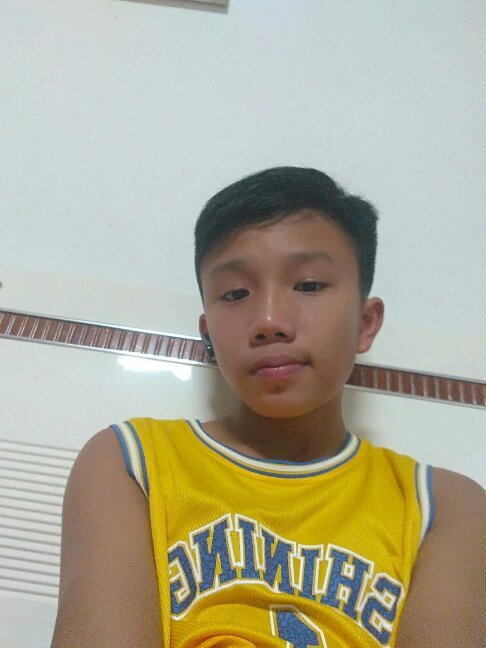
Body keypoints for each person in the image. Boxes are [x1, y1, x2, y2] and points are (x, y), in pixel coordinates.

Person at [52, 167, 484, 647]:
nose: (270, 320)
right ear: (207, 334)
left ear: (366, 322)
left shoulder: (445, 508)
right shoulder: (132, 463)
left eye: (309, 285)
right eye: (236, 293)